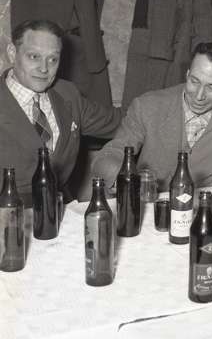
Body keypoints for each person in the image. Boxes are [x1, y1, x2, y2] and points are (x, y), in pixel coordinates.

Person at [92, 42, 212, 190]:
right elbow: (110, 154)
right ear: (187, 74)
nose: (199, 95)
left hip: (211, 210)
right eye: (194, 81)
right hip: (157, 208)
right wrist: (131, 182)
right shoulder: (147, 106)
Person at [0, 19, 121, 204]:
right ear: (12, 53)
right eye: (34, 56)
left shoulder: (67, 93)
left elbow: (121, 121)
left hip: (62, 211)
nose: (44, 68)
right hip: (9, 214)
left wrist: (169, 100)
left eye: (53, 59)